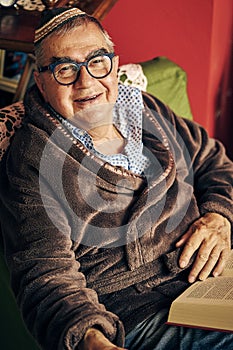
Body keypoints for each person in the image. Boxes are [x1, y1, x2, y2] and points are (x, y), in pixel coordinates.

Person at [0, 7, 232, 350]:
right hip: (145, 310)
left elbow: (212, 159)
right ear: (41, 80)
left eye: (97, 61)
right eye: (66, 69)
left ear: (113, 63)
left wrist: (219, 217)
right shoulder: (34, 161)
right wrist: (91, 338)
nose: (87, 82)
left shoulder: (143, 108)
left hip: (215, 278)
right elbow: (45, 274)